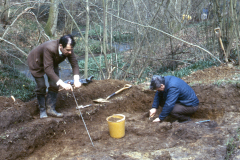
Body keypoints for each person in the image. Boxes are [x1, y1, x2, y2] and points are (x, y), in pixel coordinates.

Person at [27, 34, 81, 119]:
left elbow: (75, 64)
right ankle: (42, 110)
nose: (70, 52)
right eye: (68, 50)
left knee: (54, 84)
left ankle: (50, 109)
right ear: (60, 46)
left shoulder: (68, 48)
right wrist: (63, 84)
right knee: (41, 86)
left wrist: (77, 80)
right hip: (36, 63)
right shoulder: (50, 48)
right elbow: (48, 70)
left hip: (51, 62)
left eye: (71, 50)